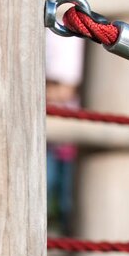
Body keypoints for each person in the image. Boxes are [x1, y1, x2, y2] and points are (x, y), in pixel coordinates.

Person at [45, 29, 84, 234]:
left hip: (70, 145)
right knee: (46, 184)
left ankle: (67, 229)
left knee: (67, 196)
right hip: (49, 143)